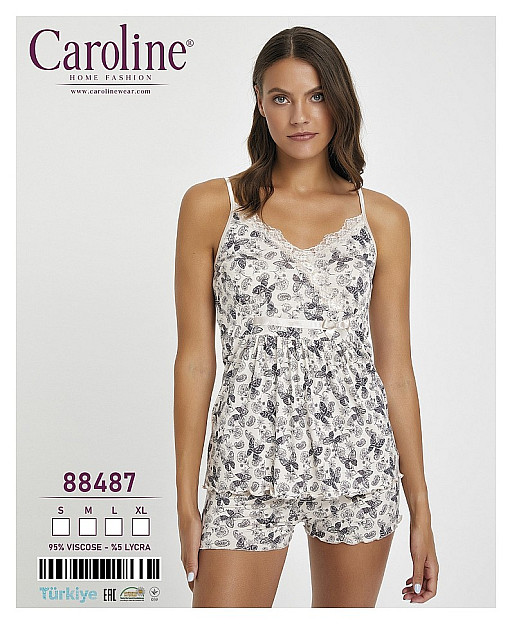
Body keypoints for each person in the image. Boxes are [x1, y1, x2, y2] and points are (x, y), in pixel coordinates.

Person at [173, 25, 439, 608]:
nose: (300, 115)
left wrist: (421, 509)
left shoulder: (382, 220)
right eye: (281, 97)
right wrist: (186, 499)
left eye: (316, 95)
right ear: (259, 105)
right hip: (244, 467)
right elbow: (195, 361)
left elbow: (396, 370)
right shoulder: (211, 207)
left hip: (358, 465)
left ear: (339, 100)